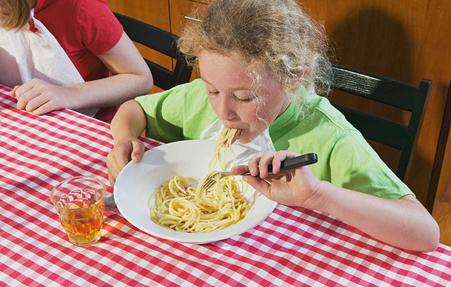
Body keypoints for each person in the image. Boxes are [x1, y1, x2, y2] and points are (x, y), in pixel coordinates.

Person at [106, 0, 440, 252]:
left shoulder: (329, 136)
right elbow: (133, 109)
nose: (223, 111)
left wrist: (319, 196)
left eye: (245, 97)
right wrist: (124, 137)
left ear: (293, 77)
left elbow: (424, 233)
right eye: (212, 89)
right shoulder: (197, 97)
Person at [0, 0, 153, 122]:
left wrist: (67, 94)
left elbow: (141, 79)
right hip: (26, 120)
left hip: (91, 126)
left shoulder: (81, 7)